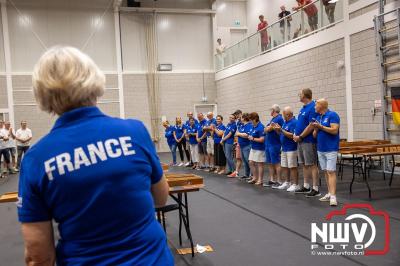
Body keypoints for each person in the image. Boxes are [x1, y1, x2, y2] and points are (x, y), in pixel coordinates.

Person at [17, 46, 173, 265]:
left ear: (43, 93)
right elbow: (160, 197)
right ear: (93, 80)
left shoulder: (37, 159)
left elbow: (38, 255)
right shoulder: (134, 132)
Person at [312, 98, 340, 206]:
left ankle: (333, 196)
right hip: (321, 148)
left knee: (331, 171)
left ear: (321, 106)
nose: (314, 107)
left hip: (331, 148)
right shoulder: (319, 117)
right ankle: (329, 193)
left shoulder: (332, 115)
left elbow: (334, 130)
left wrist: (321, 127)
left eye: (316, 105)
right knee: (325, 171)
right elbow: (314, 135)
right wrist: (316, 128)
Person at [293, 88, 320, 197]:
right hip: (300, 140)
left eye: (300, 94)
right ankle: (306, 186)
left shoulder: (312, 107)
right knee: (304, 164)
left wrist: (300, 136)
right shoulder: (302, 108)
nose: (299, 95)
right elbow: (299, 123)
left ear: (305, 95)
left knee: (312, 164)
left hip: (308, 140)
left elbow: (311, 125)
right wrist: (295, 135)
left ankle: (315, 188)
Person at [273, 107, 299, 192]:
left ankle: (295, 184)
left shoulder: (294, 122)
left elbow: (292, 135)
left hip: (291, 148)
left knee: (292, 166)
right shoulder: (285, 122)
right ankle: (287, 182)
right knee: (284, 166)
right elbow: (282, 133)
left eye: (283, 114)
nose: (282, 116)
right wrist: (277, 130)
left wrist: (281, 129)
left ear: (288, 114)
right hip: (284, 147)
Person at [263, 104, 284, 188]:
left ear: (273, 111)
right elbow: (265, 129)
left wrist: (268, 128)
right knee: (270, 163)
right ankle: (272, 180)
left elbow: (269, 129)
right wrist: (268, 128)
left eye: (271, 110)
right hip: (269, 143)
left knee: (276, 162)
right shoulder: (273, 119)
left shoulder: (279, 118)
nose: (270, 112)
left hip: (275, 144)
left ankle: (279, 181)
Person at [247, 112, 265, 185]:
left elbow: (262, 139)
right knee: (251, 162)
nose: (250, 121)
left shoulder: (261, 127)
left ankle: (260, 180)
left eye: (251, 120)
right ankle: (255, 177)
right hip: (253, 147)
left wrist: (253, 138)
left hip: (260, 148)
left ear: (255, 119)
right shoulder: (253, 126)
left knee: (260, 164)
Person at [235, 113, 252, 180]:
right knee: (244, 161)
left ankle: (252, 175)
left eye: (241, 117)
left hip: (247, 145)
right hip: (242, 146)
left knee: (248, 161)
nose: (240, 119)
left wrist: (239, 134)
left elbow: (247, 135)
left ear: (244, 118)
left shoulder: (249, 125)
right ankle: (246, 174)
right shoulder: (242, 125)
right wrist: (239, 134)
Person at [230, 110, 243, 178]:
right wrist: (236, 140)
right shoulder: (238, 122)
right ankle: (236, 172)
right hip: (238, 142)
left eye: (237, 115)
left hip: (245, 143)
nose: (237, 116)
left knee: (247, 160)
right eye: (236, 115)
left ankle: (250, 174)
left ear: (240, 114)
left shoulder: (245, 121)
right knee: (238, 158)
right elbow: (237, 132)